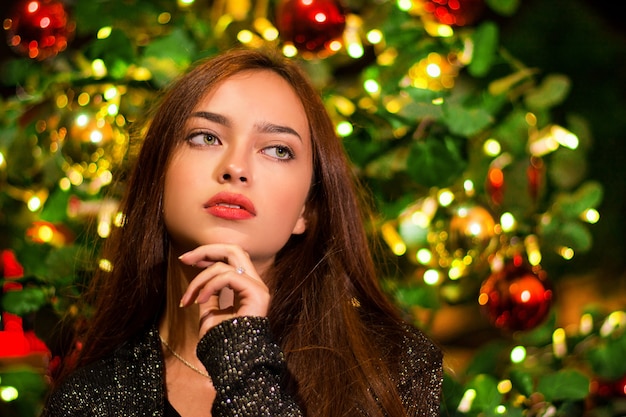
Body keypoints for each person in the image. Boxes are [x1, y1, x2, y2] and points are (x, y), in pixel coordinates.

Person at [41, 48, 442, 417]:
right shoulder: (87, 400)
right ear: (157, 178)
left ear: (306, 209)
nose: (236, 167)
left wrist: (242, 356)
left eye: (278, 149)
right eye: (206, 137)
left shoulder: (391, 369)